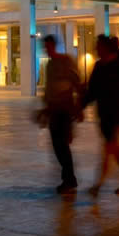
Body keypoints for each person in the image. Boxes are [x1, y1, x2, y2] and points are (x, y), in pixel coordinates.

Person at [83, 34, 119, 195]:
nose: (96, 49)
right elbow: (92, 91)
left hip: (116, 113)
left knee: (109, 147)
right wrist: (80, 106)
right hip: (103, 114)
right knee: (115, 147)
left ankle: (98, 183)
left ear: (106, 47)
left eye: (99, 46)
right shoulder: (99, 66)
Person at [39, 34, 82, 194]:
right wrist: (45, 109)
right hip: (53, 110)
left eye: (48, 46)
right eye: (45, 47)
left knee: (62, 146)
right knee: (58, 147)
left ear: (54, 46)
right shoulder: (49, 65)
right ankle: (69, 179)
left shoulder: (65, 61)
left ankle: (69, 180)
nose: (46, 50)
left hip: (64, 110)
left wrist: (78, 108)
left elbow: (76, 83)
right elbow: (49, 88)